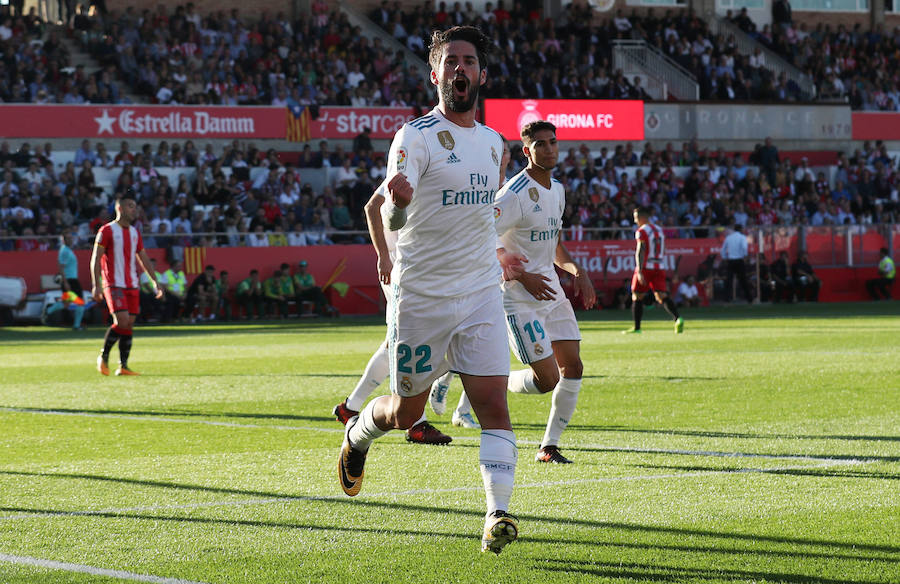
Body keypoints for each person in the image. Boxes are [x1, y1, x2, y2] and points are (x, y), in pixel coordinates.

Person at [337, 26, 522, 554]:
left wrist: (500, 252)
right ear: (435, 74)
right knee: (406, 415)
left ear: (482, 75)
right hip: (422, 297)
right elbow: (392, 209)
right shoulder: (413, 137)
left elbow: (483, 215)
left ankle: (496, 515)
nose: (460, 69)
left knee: (494, 408)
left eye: (469, 61)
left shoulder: (494, 144)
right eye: (450, 62)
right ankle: (355, 436)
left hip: (482, 294)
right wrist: (396, 203)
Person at [493, 120, 597, 464]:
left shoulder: (558, 190)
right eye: (540, 144)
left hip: (551, 292)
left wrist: (576, 271)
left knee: (574, 367)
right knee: (547, 378)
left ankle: (549, 447)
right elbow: (480, 236)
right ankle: (495, 379)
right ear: (527, 151)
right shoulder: (513, 194)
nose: (549, 148)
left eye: (553, 142)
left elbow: (553, 243)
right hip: (519, 298)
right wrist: (523, 277)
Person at [332, 182, 453, 445]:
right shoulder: (407, 168)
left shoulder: (433, 167)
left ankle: (351, 407)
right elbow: (371, 206)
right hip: (403, 274)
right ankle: (416, 422)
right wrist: (383, 255)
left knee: (394, 343)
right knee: (412, 342)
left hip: (421, 273)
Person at [429, 135, 513, 429]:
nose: (499, 157)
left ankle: (462, 409)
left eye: (504, 153)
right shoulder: (473, 180)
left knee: (487, 346)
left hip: (494, 275)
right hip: (466, 271)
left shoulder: (510, 188)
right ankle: (441, 377)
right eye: (496, 152)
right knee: (459, 338)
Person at [90, 195, 163, 375]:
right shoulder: (106, 231)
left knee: (128, 324)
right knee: (121, 321)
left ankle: (123, 366)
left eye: (135, 206)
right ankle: (103, 356)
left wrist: (155, 281)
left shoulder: (134, 233)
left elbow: (143, 258)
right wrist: (96, 284)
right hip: (113, 283)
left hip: (132, 284)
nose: (134, 210)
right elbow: (96, 258)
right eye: (131, 206)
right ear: (120, 209)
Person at [623, 207, 684, 334]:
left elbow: (641, 250)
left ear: (641, 217)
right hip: (659, 266)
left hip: (646, 267)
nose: (635, 221)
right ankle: (678, 318)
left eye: (636, 218)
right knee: (662, 295)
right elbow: (663, 248)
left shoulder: (641, 231)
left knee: (637, 295)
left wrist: (639, 270)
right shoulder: (659, 230)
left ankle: (637, 328)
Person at [721, 223, 752, 303]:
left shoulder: (728, 237)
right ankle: (749, 299)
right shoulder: (742, 237)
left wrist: (725, 258)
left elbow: (723, 249)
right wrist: (745, 256)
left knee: (729, 281)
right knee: (743, 281)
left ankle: (726, 299)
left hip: (731, 261)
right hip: (739, 261)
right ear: (741, 229)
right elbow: (744, 247)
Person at [138, 257, 165, 322]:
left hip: (156, 294)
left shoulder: (158, 274)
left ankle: (164, 318)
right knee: (150, 298)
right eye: (151, 264)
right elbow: (147, 286)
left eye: (154, 264)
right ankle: (150, 317)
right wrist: (157, 293)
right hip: (147, 294)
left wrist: (162, 294)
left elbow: (161, 285)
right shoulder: (144, 274)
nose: (152, 266)